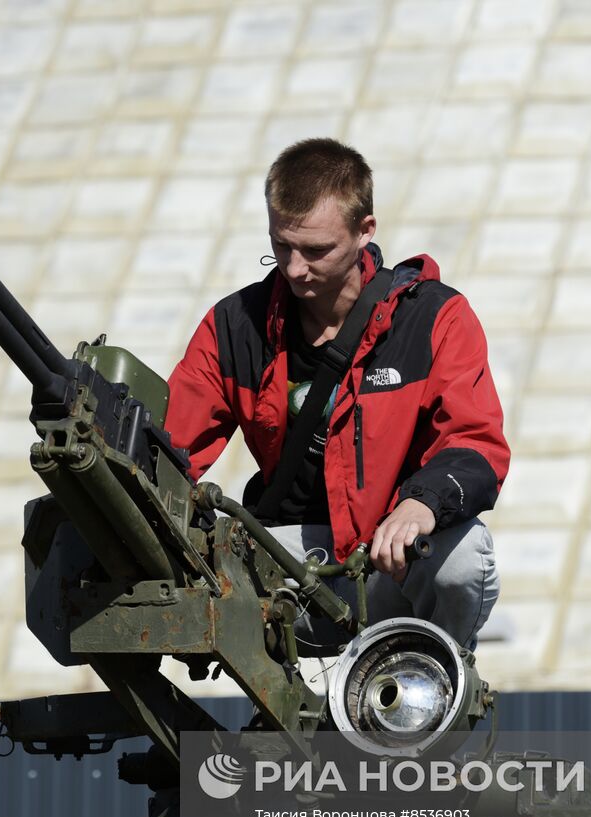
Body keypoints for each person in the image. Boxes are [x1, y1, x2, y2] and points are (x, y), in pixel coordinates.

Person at [165, 138, 509, 650]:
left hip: (391, 561)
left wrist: (422, 504)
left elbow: (476, 442)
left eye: (316, 250)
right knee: (178, 566)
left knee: (463, 558)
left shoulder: (436, 318)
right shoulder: (234, 326)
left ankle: (420, 693)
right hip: (286, 564)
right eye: (281, 246)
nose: (295, 269)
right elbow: (169, 449)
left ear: (365, 230)